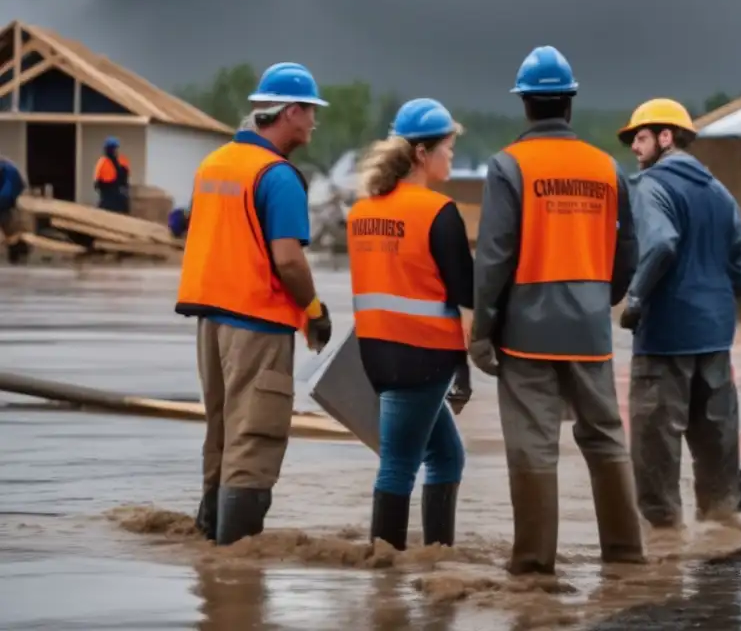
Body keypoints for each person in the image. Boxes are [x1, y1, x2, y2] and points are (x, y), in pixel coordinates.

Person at [470, 45, 644, 575]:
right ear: (568, 103)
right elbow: (630, 246)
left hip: (526, 330)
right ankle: (625, 555)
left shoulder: (508, 166)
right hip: (589, 329)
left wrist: (482, 330)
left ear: (526, 105)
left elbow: (495, 254)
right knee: (606, 436)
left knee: (532, 444)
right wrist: (604, 297)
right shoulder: (605, 167)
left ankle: (533, 566)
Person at [175, 62, 333, 545]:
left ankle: (209, 548)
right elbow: (288, 261)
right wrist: (314, 312)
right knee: (256, 437)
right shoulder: (278, 176)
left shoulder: (214, 163)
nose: (313, 123)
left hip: (211, 323)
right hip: (258, 323)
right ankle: (235, 570)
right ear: (289, 112)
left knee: (222, 431)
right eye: (310, 112)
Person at [347, 97, 474, 551]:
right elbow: (467, 299)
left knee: (446, 456)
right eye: (448, 147)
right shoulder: (438, 212)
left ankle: (437, 558)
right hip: (423, 357)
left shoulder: (362, 212)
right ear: (422, 153)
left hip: (377, 355)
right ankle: (384, 574)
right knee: (399, 464)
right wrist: (467, 365)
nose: (452, 156)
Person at [616, 98, 741, 528]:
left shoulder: (650, 186)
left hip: (665, 338)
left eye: (640, 138)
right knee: (717, 447)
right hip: (715, 339)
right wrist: (715, 304)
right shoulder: (720, 191)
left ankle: (665, 553)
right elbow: (740, 263)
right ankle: (721, 533)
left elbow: (661, 243)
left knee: (655, 453)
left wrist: (634, 299)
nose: (635, 149)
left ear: (665, 136)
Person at [0, 155, 27, 263]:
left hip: (7, 202)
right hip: (9, 203)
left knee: (9, 228)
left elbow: (7, 194)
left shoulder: (9, 171)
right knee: (9, 228)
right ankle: (17, 250)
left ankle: (17, 250)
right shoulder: (8, 169)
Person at [94, 137, 131, 213]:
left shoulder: (121, 160)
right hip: (107, 190)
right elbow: (97, 179)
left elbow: (126, 175)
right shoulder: (103, 161)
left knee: (122, 206)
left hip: (118, 189)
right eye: (111, 148)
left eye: (114, 148)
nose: (114, 151)